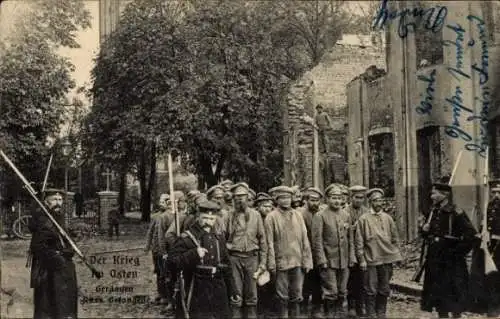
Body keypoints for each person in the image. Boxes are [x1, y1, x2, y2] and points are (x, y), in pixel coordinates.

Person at [167, 200, 238, 319]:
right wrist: (193, 254)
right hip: (195, 288)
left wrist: (233, 290)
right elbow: (171, 263)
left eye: (211, 219)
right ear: (198, 217)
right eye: (204, 218)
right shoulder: (187, 238)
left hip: (218, 287)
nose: (208, 223)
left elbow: (227, 266)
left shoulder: (218, 238)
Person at [420, 176, 477, 319]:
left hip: (452, 261)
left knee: (454, 292)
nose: (431, 196)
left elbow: (471, 235)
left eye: (434, 193)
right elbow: (428, 236)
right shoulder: (433, 212)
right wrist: (424, 230)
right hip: (435, 259)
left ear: (444, 195)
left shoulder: (456, 212)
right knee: (438, 294)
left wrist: (457, 252)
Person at [27, 188, 78, 319]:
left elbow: (63, 238)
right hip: (49, 271)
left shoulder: (58, 217)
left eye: (60, 199)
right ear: (46, 202)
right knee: (49, 306)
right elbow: (37, 247)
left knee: (65, 304)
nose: (58, 203)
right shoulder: (43, 219)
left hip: (63, 268)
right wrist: (57, 258)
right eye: (54, 199)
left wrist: (69, 248)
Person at [265, 185, 313, 318]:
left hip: (297, 261)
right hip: (281, 262)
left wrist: (307, 260)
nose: (286, 200)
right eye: (282, 198)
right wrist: (271, 263)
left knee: (297, 293)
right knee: (282, 295)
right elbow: (269, 242)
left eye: (288, 197)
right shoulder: (271, 217)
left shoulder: (297, 215)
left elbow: (304, 239)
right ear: (276, 199)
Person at [355, 188, 402, 319]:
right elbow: (359, 242)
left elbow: (395, 238)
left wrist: (397, 255)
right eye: (375, 200)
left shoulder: (388, 218)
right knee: (370, 288)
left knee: (384, 288)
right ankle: (371, 313)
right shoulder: (363, 219)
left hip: (386, 259)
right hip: (371, 259)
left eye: (381, 200)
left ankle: (381, 312)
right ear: (370, 202)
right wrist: (362, 259)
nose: (379, 203)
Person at [224, 182, 267, 318]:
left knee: (252, 294)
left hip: (252, 258)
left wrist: (263, 262)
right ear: (233, 198)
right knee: (236, 293)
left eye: (242, 196)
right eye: (236, 196)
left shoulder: (256, 215)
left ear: (248, 197)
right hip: (234, 258)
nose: (239, 199)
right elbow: (222, 238)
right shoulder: (228, 216)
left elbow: (263, 239)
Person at [312, 184, 355, 318]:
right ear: (327, 199)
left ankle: (338, 313)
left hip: (344, 260)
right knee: (331, 291)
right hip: (329, 260)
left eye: (339, 198)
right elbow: (317, 241)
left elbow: (350, 239)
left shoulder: (346, 215)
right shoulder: (320, 216)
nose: (337, 201)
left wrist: (352, 257)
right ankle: (329, 314)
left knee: (342, 290)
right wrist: (321, 259)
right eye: (334, 198)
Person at [297, 187, 324, 318]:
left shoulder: (322, 214)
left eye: (317, 200)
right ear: (306, 200)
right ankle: (303, 306)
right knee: (305, 282)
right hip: (303, 253)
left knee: (318, 281)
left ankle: (316, 307)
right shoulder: (299, 214)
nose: (315, 203)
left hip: (319, 253)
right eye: (312, 200)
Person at [345, 185, 369, 318]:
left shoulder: (366, 212)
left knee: (362, 280)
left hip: (363, 249)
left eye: (362, 198)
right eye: (356, 197)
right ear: (351, 197)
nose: (359, 200)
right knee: (351, 279)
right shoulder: (345, 211)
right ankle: (351, 306)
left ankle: (361, 306)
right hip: (348, 248)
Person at [145, 193, 171, 305]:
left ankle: (167, 296)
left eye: (163, 202)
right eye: (160, 202)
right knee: (158, 271)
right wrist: (147, 246)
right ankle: (160, 294)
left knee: (165, 273)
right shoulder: (155, 216)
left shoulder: (170, 216)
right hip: (156, 250)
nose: (161, 204)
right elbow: (150, 232)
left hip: (165, 250)